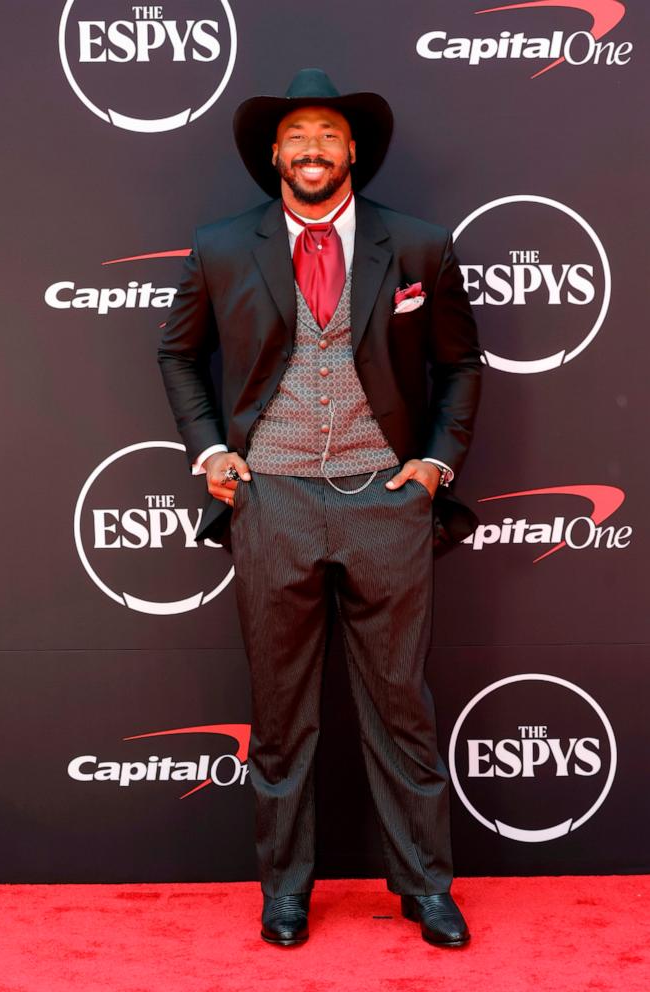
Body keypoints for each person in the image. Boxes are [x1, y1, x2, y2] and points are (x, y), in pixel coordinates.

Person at [158, 68, 481, 948]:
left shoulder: (417, 246)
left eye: (327, 135)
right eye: (296, 135)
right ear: (274, 153)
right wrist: (210, 450)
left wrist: (432, 468)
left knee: (400, 705)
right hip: (272, 500)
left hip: (387, 501)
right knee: (281, 708)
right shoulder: (223, 246)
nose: (310, 148)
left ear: (352, 152)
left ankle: (424, 886)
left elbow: (459, 367)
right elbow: (178, 356)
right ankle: (285, 890)